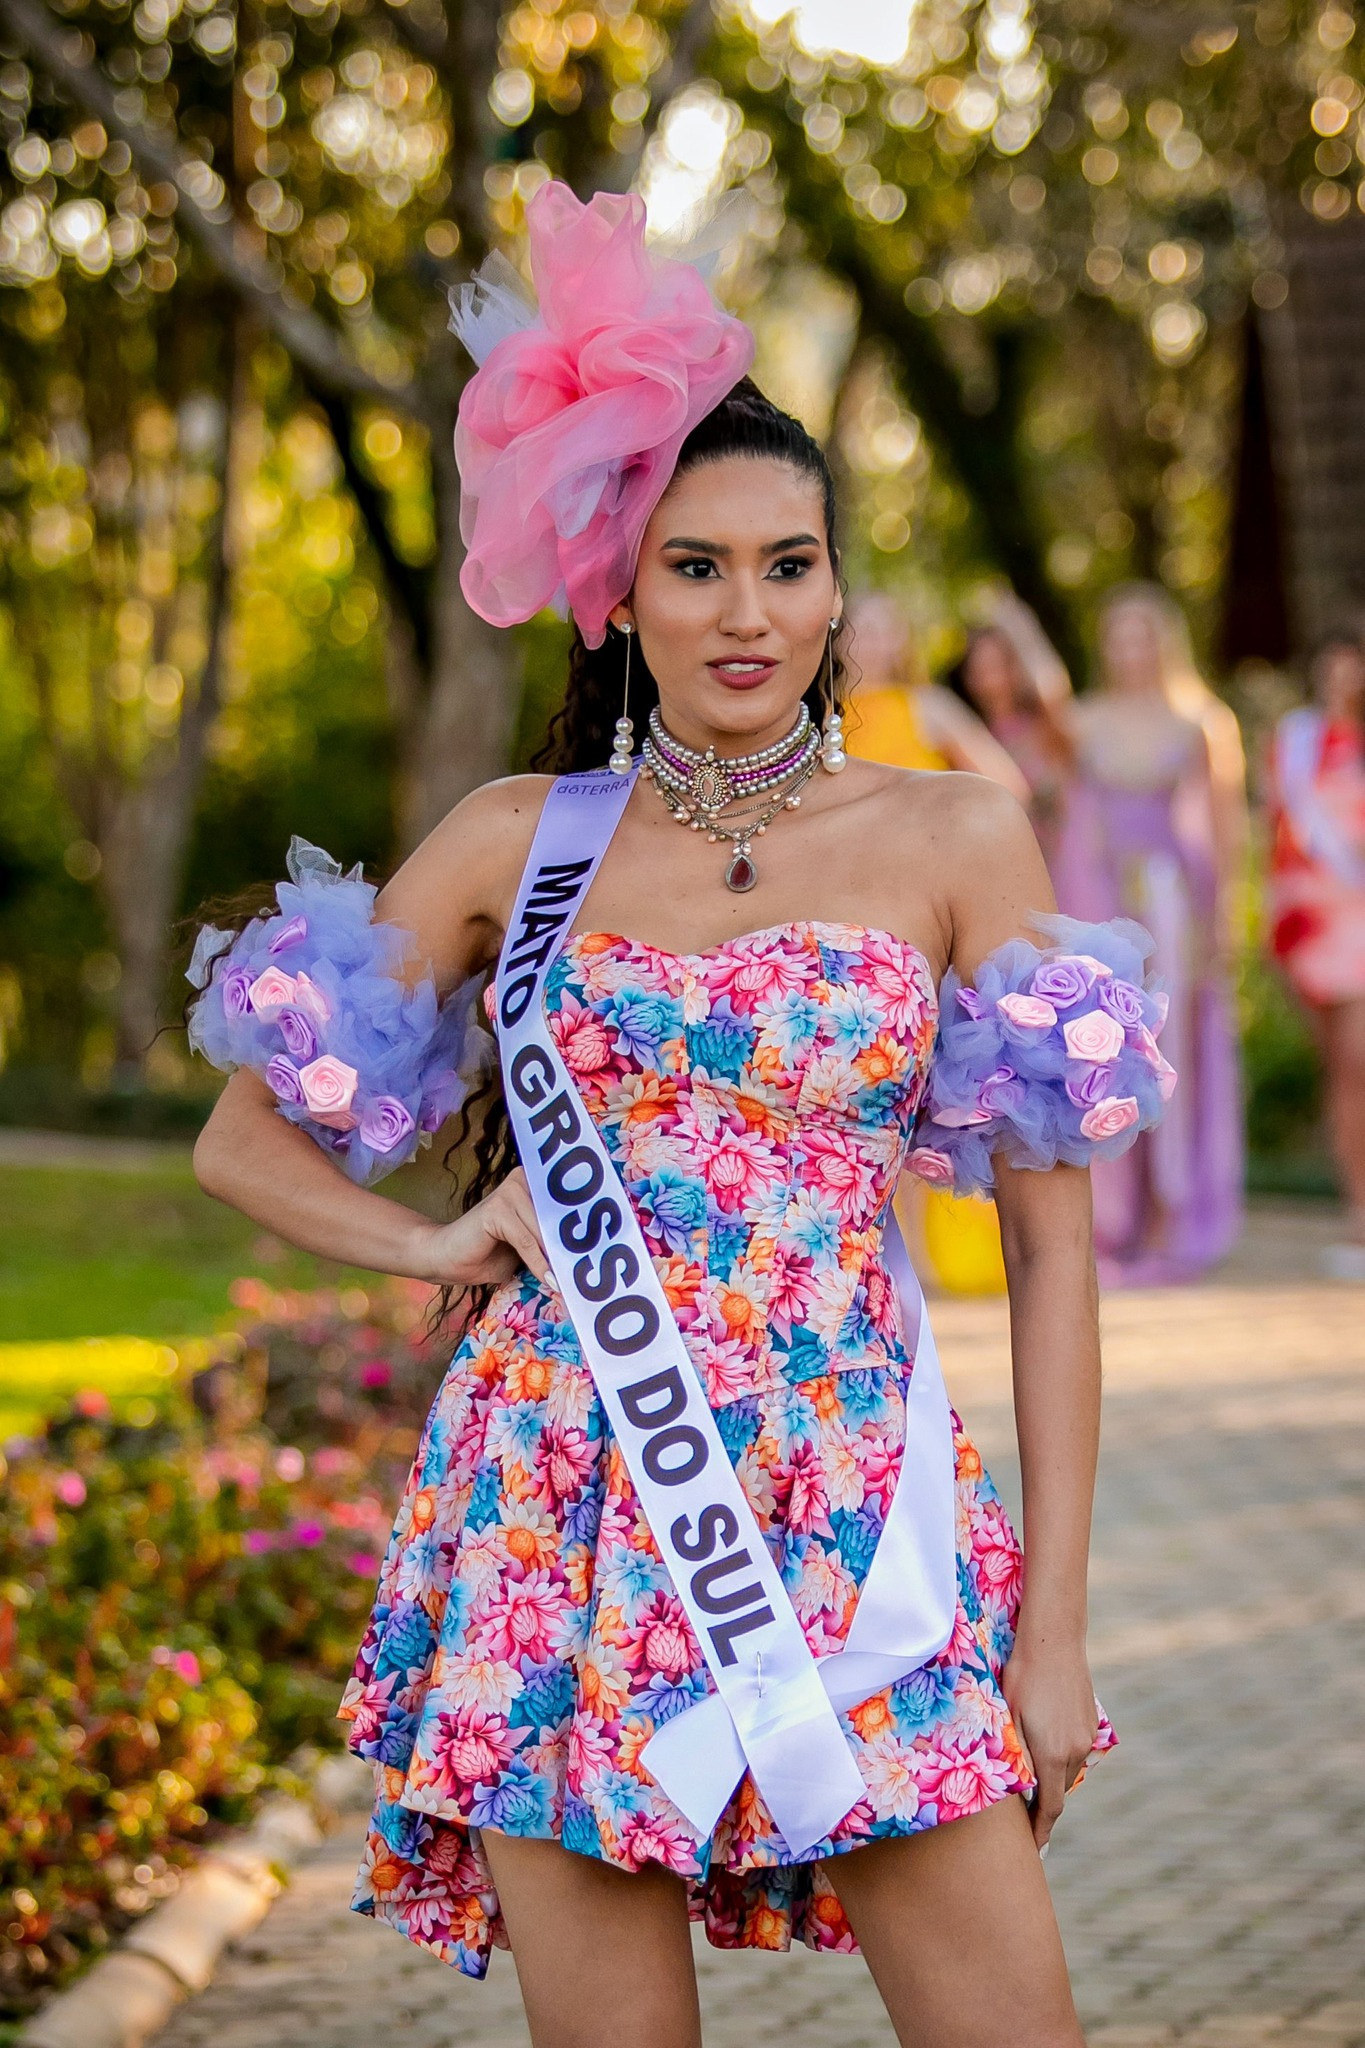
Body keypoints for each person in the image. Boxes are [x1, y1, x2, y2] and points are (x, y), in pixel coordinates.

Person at [186, 185, 1174, 2048]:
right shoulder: (513, 842)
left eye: (788, 563)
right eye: (697, 565)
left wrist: (1050, 1626)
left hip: (852, 1500)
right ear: (616, 586)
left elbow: (1052, 1254)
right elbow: (244, 1138)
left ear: (834, 583)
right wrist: (435, 1235)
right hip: (556, 1499)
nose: (746, 611)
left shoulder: (958, 833)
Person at [1052, 582, 1244, 1285]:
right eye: (1119, 633)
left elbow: (1224, 834)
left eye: (1143, 633)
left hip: (1171, 906)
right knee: (1101, 1054)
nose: (1131, 647)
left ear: (1163, 641)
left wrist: (1220, 927)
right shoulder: (1083, 720)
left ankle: (1169, 1216)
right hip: (1102, 910)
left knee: (1170, 1058)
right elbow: (1069, 821)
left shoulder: (1198, 722)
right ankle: (1114, 1221)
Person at [1269, 630, 1365, 1279]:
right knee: (1341, 1074)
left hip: (1359, 917)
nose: (1337, 681)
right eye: (1327, 670)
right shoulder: (1296, 741)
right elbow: (1277, 827)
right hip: (1311, 918)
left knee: (1360, 1061)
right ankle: (1356, 1213)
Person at [842, 588, 1030, 800]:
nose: (874, 644)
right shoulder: (823, 717)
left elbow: (1007, 784)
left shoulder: (925, 704)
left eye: (884, 633)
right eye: (864, 630)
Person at [943, 593, 1075, 868]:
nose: (989, 674)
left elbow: (1051, 686)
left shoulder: (1045, 726)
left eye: (998, 663)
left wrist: (1019, 626)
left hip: (1071, 861)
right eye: (978, 665)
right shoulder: (971, 739)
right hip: (1013, 865)